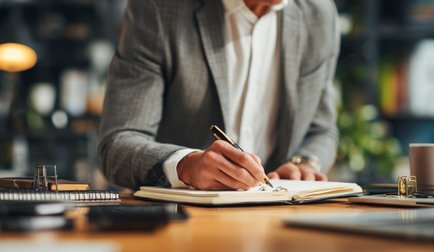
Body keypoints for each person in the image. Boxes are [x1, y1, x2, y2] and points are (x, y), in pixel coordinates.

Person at [98, 0, 340, 190]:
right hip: (182, 224)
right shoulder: (159, 9)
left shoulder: (319, 14)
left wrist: (305, 163)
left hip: (280, 220)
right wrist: (186, 166)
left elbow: (321, 130)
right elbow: (117, 144)